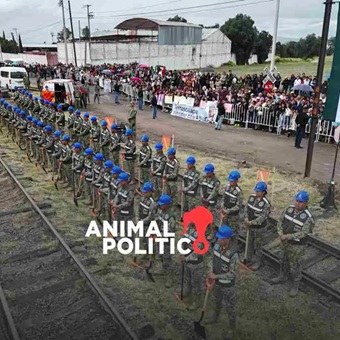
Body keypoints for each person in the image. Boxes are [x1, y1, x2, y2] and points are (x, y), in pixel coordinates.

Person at [270, 191, 315, 297]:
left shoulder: (308, 217)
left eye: (301, 202)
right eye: (297, 201)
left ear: (306, 203)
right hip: (284, 242)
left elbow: (304, 233)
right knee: (283, 259)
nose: (298, 204)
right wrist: (281, 234)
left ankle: (296, 284)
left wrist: (288, 236)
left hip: (297, 246)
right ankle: (282, 276)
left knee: (295, 266)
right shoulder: (288, 209)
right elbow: (280, 221)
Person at [206, 225, 239, 339]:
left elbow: (232, 274)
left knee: (230, 307)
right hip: (217, 283)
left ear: (228, 238)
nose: (219, 239)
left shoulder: (234, 254)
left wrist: (216, 276)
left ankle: (232, 328)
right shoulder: (216, 245)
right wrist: (210, 270)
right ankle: (215, 317)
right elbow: (211, 259)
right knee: (217, 301)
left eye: (221, 238)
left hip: (227, 286)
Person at [244, 181, 271, 271]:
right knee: (249, 242)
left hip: (259, 228)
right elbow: (246, 208)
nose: (256, 193)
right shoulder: (252, 198)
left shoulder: (266, 203)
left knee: (258, 245)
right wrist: (246, 219)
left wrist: (251, 223)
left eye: (258, 191)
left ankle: (258, 262)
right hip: (250, 226)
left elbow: (263, 217)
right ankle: (248, 258)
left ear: (263, 192)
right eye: (256, 191)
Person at [180, 222, 205, 311]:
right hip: (186, 261)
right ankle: (187, 292)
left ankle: (197, 301)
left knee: (196, 283)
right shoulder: (188, 229)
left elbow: (198, 251)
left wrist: (186, 259)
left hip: (196, 264)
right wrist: (182, 253)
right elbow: (183, 241)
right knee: (187, 278)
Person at [155, 194, 176, 288]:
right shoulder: (160, 211)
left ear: (167, 205)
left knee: (167, 259)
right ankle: (163, 269)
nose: (160, 206)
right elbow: (157, 221)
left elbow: (171, 231)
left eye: (162, 204)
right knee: (160, 256)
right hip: (159, 238)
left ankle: (170, 278)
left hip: (167, 241)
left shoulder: (171, 217)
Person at [199, 163, 220, 240]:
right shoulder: (204, 178)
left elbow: (214, 192)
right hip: (203, 201)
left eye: (208, 172)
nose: (207, 174)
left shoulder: (216, 181)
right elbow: (201, 187)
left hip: (211, 204)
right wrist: (202, 197)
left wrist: (208, 200)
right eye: (206, 172)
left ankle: (212, 233)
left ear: (212, 172)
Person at [138, 182, 158, 254]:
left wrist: (142, 221)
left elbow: (151, 217)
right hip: (142, 222)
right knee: (144, 240)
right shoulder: (142, 198)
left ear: (150, 192)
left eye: (145, 192)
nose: (144, 193)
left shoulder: (153, 203)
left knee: (149, 241)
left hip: (149, 225)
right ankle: (146, 252)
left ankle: (151, 256)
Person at [163, 147, 180, 218]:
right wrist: (164, 175)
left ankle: (173, 212)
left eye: (169, 155)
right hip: (167, 181)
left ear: (173, 155)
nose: (168, 156)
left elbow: (175, 174)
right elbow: (165, 169)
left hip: (173, 182)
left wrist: (167, 176)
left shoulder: (176, 163)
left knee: (173, 197)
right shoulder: (168, 161)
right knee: (167, 195)